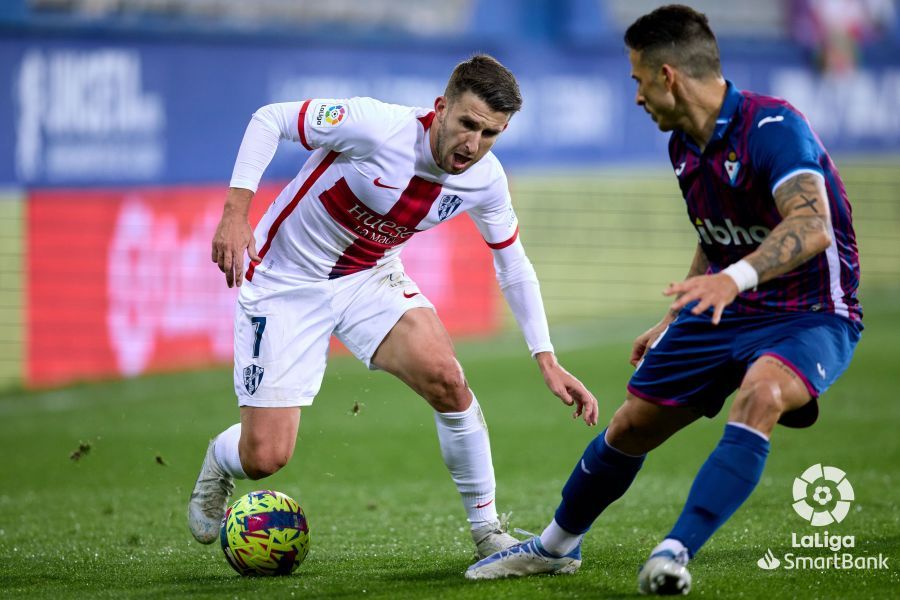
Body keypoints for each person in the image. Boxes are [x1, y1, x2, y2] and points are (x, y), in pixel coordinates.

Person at [465, 5, 862, 595]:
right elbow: (716, 236)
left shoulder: (773, 126)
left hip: (808, 310)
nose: (636, 96)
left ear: (667, 75)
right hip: (727, 307)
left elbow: (812, 226)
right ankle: (554, 547)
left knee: (761, 395)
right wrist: (674, 314)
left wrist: (733, 281)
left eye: (637, 80)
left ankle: (674, 552)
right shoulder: (683, 145)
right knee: (631, 426)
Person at [187, 54, 599, 559]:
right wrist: (236, 213)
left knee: (448, 379)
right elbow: (269, 118)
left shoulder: (485, 179)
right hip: (287, 282)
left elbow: (513, 264)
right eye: (467, 124)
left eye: (491, 133)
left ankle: (488, 531)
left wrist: (546, 356)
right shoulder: (376, 128)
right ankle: (219, 460)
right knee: (266, 456)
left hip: (368, 276)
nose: (474, 144)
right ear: (441, 108)